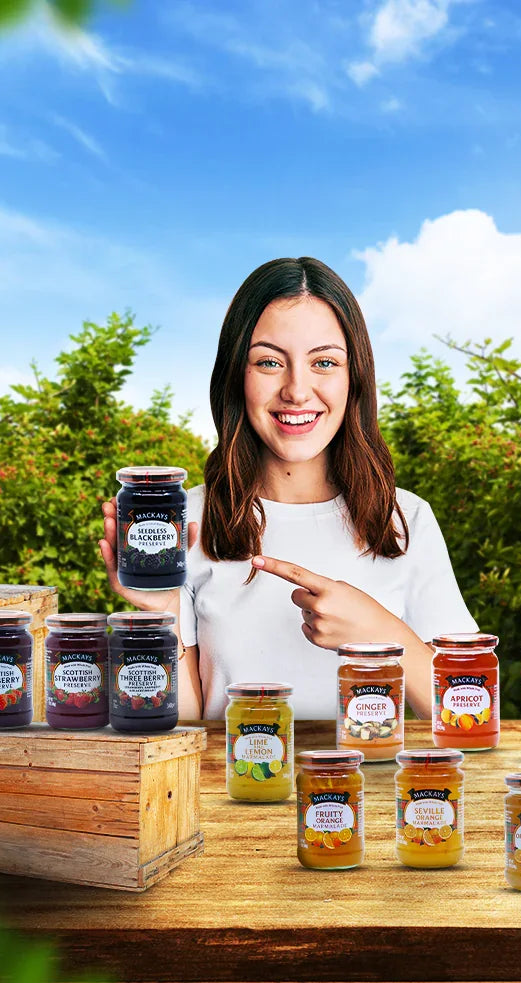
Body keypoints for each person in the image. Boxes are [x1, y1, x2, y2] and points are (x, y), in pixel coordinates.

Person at [99, 256, 477, 721]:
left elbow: (469, 714)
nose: (297, 390)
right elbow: (190, 733)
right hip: (231, 793)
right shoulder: (186, 522)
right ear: (236, 376)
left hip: (373, 792)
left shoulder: (406, 519)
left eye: (323, 362)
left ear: (354, 376)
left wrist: (381, 631)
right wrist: (162, 614)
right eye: (270, 362)